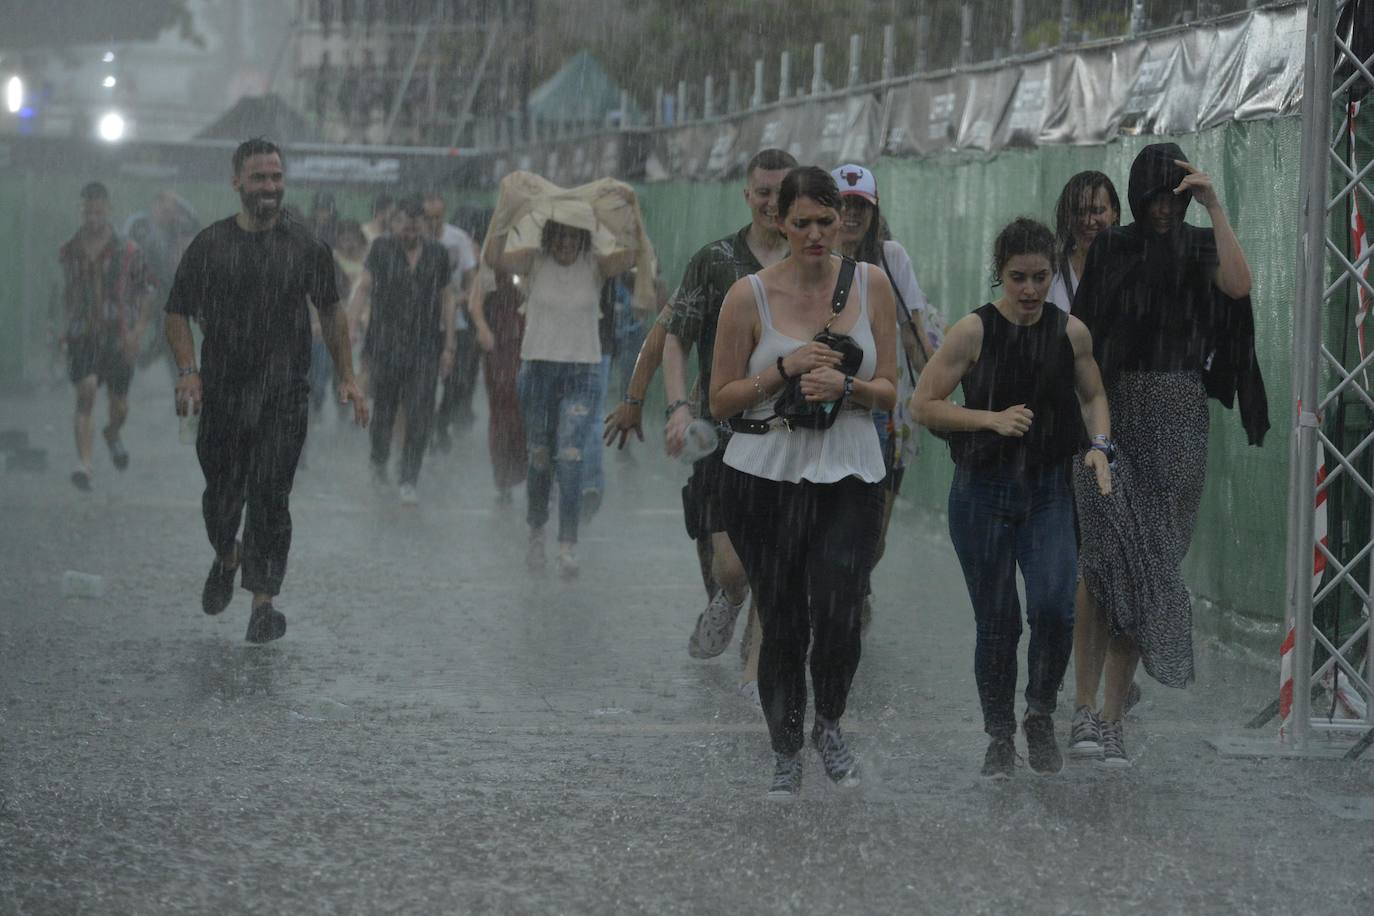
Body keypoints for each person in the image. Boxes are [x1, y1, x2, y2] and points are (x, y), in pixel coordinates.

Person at [1068, 144, 1268, 766]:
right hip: (1115, 407)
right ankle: (1081, 708)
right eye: (1152, 197)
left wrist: (1213, 204)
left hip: (1180, 411)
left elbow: (1239, 285)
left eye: (1172, 197)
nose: (1162, 209)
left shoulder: (1202, 244)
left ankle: (1110, 718)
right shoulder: (1115, 248)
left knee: (1150, 562)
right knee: (1104, 560)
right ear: (1136, 199)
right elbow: (1085, 333)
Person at [710, 166, 898, 797]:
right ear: (779, 223)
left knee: (842, 603)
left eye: (828, 220)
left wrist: (847, 386)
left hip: (850, 469)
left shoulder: (871, 285)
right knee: (784, 617)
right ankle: (786, 749)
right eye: (803, 223)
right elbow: (722, 400)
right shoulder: (748, 296)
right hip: (766, 474)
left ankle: (831, 723)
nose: (818, 234)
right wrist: (786, 367)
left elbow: (890, 390)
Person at [912, 217, 1113, 778]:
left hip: (1049, 489)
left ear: (1053, 273)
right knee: (998, 621)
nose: (1029, 290)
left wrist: (1100, 445)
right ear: (999, 274)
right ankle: (999, 733)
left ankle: (1040, 711)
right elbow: (923, 403)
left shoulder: (1070, 332)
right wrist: (988, 420)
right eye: (1018, 277)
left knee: (1053, 605)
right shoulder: (972, 332)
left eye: (1040, 277)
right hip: (981, 492)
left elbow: (1094, 393)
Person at [165, 137, 368, 644]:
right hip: (224, 395)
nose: (270, 187)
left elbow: (331, 309)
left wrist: (347, 375)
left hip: (284, 394)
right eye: (259, 178)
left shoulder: (304, 246)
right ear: (237, 181)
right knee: (222, 494)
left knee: (271, 494)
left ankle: (263, 603)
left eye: (276, 177)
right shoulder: (211, 245)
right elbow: (176, 311)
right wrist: (189, 370)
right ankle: (227, 554)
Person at [661, 148, 796, 674]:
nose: (771, 203)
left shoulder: (811, 263)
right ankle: (730, 596)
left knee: (777, 559)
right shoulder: (715, 260)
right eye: (762, 192)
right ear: (748, 195)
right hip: (722, 431)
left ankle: (758, 675)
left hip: (789, 432)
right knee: (735, 567)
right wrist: (677, 408)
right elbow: (676, 339)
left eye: (781, 192)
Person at [487, 214, 638, 580]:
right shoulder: (534, 262)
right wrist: (508, 212)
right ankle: (537, 529)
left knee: (570, 457)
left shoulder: (595, 266)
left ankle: (567, 545)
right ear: (549, 237)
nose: (566, 244)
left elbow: (630, 255)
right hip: (538, 371)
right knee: (540, 456)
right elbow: (494, 255)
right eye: (560, 236)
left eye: (574, 237)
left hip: (581, 373)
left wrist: (622, 213)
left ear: (583, 240)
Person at [830, 163, 936, 634]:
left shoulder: (891, 259)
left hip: (884, 410)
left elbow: (915, 333)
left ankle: (856, 582)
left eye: (861, 207)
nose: (851, 215)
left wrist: (938, 396)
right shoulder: (813, 255)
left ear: (874, 213)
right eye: (843, 205)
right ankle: (834, 597)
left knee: (875, 532)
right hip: (825, 408)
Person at [350, 194, 457, 504]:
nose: (409, 231)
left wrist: (449, 345)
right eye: (403, 225)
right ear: (393, 224)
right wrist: (352, 327)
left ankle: (409, 477)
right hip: (384, 344)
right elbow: (364, 288)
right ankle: (379, 461)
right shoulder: (382, 249)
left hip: (425, 346)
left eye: (416, 225)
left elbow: (447, 298)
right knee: (383, 411)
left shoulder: (437, 254)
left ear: (424, 226)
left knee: (421, 412)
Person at [60, 181, 157, 491]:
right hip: (83, 334)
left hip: (119, 337)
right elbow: (66, 292)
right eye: (87, 212)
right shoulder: (70, 250)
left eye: (98, 212)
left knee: (120, 406)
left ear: (108, 210)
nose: (92, 218)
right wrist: (61, 328)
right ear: (81, 211)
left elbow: (148, 291)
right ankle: (84, 464)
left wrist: (138, 331)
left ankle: (112, 433)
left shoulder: (128, 250)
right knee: (85, 391)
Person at [423, 189, 480, 450]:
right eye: (428, 217)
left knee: (458, 381)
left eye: (437, 217)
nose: (433, 223)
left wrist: (460, 300)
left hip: (455, 321)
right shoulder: (414, 239)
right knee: (422, 381)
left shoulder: (459, 239)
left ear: (444, 213)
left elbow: (471, 281)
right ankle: (423, 427)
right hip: (421, 323)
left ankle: (442, 422)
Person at [123, 190, 201, 373]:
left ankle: (162, 360)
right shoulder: (138, 225)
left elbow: (194, 231)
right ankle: (129, 363)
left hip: (166, 286)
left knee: (170, 328)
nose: (169, 216)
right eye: (164, 211)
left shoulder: (180, 224)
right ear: (154, 208)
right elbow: (125, 258)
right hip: (138, 285)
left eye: (172, 212)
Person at [472, 265, 527, 504]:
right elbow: (475, 303)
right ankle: (504, 478)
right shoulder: (492, 269)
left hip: (531, 345)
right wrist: (483, 329)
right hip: (500, 347)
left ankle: (538, 474)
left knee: (531, 411)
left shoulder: (534, 262)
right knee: (503, 413)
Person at [1049, 171, 1121, 312]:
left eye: (1097, 210)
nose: (1088, 221)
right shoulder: (1049, 270)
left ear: (1115, 213)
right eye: (1079, 212)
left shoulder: (1130, 267)